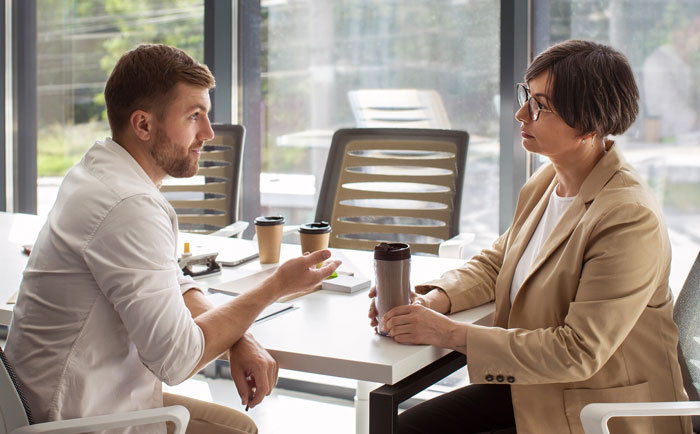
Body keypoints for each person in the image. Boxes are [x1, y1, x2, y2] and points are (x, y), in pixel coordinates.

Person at [5, 44, 340, 434]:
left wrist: (239, 337)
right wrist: (276, 287)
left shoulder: (101, 172)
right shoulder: (127, 205)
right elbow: (177, 362)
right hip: (75, 421)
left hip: (59, 403)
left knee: (239, 427)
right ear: (143, 125)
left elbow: (172, 282)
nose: (208, 133)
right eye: (193, 116)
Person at [369, 40, 690, 434]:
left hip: (593, 409)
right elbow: (496, 263)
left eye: (541, 105)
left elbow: (578, 350)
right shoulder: (546, 182)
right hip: (538, 387)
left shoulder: (628, 217)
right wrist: (432, 300)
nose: (522, 113)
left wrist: (446, 332)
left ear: (589, 124)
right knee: (402, 428)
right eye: (527, 96)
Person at [643, 15, 700, 140]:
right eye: (695, 28)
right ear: (678, 31)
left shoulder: (689, 62)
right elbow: (671, 110)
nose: (697, 34)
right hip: (670, 143)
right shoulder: (657, 63)